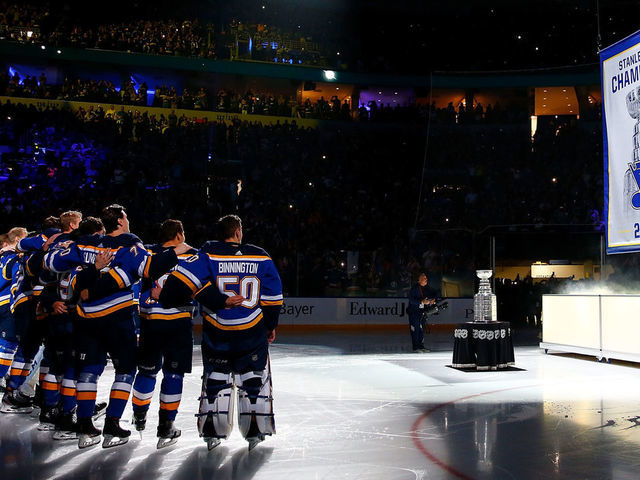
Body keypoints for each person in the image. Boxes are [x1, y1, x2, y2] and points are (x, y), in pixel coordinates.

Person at [159, 214, 283, 451]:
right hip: (251, 332)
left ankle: (211, 429)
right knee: (252, 378)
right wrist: (270, 325)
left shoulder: (207, 255)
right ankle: (255, 428)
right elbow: (273, 297)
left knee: (216, 378)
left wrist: (200, 296)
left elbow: (180, 285)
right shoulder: (261, 255)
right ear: (238, 232)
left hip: (217, 332)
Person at [407, 273, 437, 352]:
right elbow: (411, 300)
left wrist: (433, 299)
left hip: (422, 313)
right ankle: (416, 347)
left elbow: (433, 294)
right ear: (419, 280)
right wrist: (421, 301)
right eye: (424, 278)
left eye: (426, 278)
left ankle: (421, 346)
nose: (426, 280)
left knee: (421, 329)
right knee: (415, 329)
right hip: (414, 312)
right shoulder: (414, 288)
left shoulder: (427, 288)